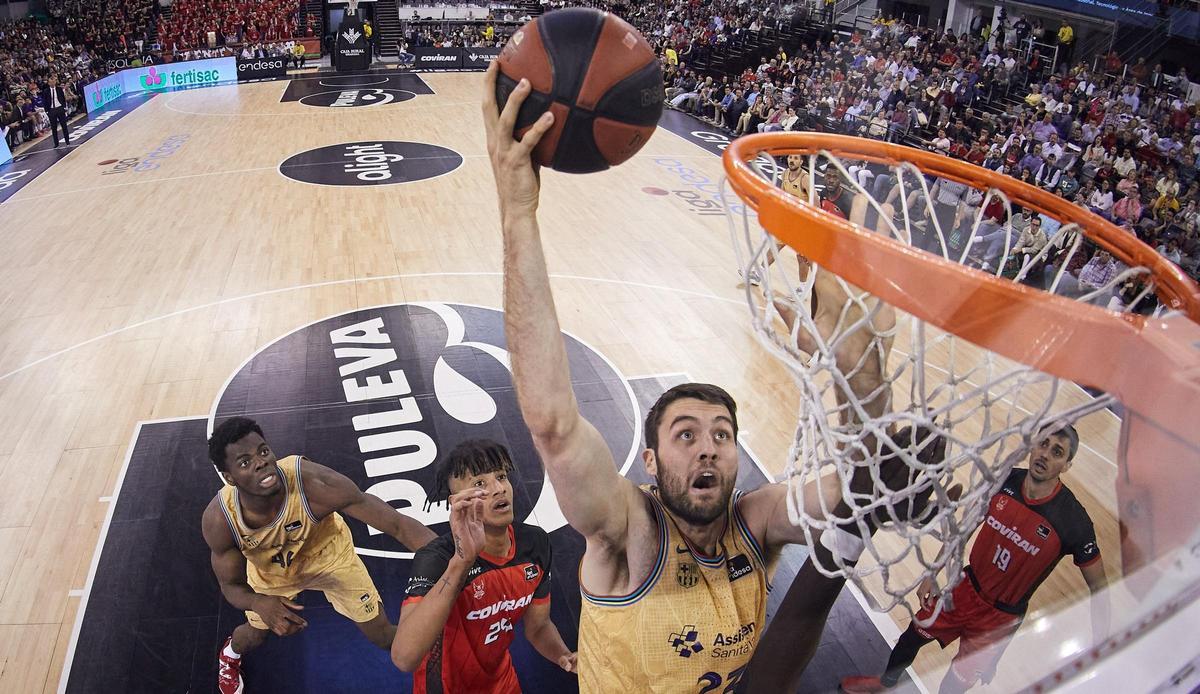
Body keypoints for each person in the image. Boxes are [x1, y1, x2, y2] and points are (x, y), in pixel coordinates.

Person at [482, 63, 931, 694]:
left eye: (722, 433)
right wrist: (518, 214)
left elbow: (862, 494)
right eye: (685, 434)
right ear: (648, 461)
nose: (708, 445)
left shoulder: (758, 521)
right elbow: (554, 427)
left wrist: (856, 368)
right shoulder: (628, 532)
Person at [840, 425, 1108, 694]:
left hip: (999, 619)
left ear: (1067, 465)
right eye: (1043, 444)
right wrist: (933, 572)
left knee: (954, 686)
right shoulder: (1003, 480)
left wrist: (1103, 645)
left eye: (1057, 452)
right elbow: (964, 527)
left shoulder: (1074, 522)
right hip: (966, 588)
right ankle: (883, 685)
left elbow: (1099, 588)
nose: (1045, 455)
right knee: (911, 637)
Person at [203, 417, 437, 694]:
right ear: (229, 478)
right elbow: (230, 585)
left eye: (263, 451)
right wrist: (258, 601)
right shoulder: (220, 520)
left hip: (331, 558)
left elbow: (397, 524)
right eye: (244, 462)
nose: (260, 462)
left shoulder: (311, 483)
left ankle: (440, 652)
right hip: (272, 574)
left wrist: (459, 562)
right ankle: (230, 654)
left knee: (383, 635)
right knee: (254, 635)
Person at [391, 439, 576, 691]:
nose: (499, 488)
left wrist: (562, 655)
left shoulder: (534, 543)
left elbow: (539, 626)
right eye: (480, 484)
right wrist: (462, 561)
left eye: (501, 476)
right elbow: (404, 657)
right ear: (457, 501)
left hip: (503, 685)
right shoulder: (437, 559)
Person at [39, 75, 70, 148]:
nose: (52, 83)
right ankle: (56, 144)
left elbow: (63, 98)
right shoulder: (46, 91)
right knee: (54, 128)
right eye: (51, 82)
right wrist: (47, 111)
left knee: (64, 126)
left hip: (59, 108)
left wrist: (64, 107)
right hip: (51, 110)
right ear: (49, 83)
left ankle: (67, 141)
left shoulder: (59, 89)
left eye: (54, 82)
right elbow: (45, 101)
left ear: (55, 82)